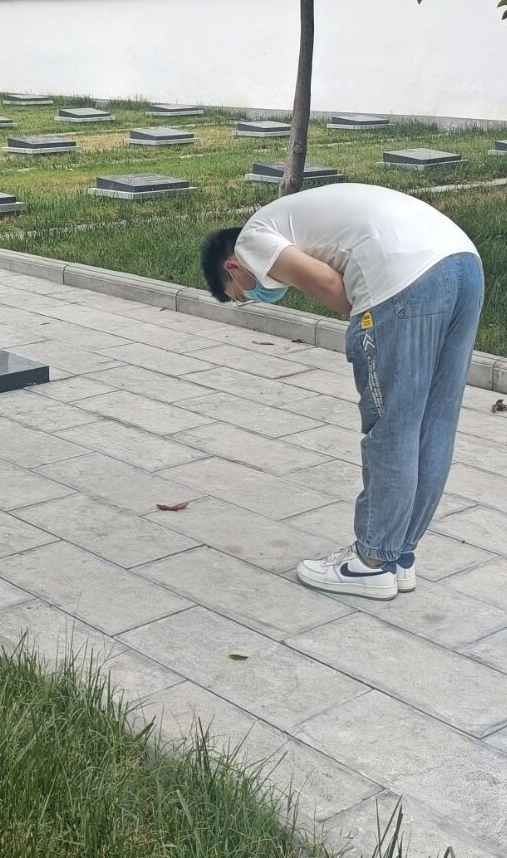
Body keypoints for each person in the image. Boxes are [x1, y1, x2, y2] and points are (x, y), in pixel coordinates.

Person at [201, 182, 482, 600]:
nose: (255, 297)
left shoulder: (251, 241)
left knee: (392, 426)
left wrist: (378, 326)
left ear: (233, 267)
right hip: (463, 262)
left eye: (241, 295)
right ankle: (399, 554)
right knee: (434, 423)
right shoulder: (289, 221)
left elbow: (329, 284)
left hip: (404, 275)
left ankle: (370, 563)